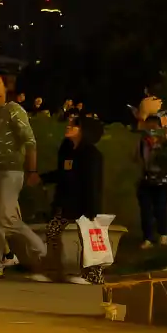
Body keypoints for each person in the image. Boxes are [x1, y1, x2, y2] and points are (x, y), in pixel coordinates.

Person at [0, 73, 47, 276]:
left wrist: (32, 170)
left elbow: (30, 141)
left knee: (7, 218)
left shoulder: (14, 110)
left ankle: (42, 250)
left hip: (10, 171)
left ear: (6, 87)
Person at [33, 117, 107, 284]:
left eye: (75, 125)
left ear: (84, 131)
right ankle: (53, 271)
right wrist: (43, 178)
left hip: (85, 204)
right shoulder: (66, 150)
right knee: (53, 231)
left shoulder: (92, 155)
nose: (69, 126)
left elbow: (93, 183)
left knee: (89, 237)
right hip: (66, 203)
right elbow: (63, 174)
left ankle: (92, 275)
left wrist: (92, 210)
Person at [134, 95, 167, 249]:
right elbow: (136, 158)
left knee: (160, 208)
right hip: (146, 178)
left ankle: (163, 233)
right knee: (145, 210)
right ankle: (148, 237)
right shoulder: (142, 142)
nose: (151, 128)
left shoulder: (165, 143)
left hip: (161, 180)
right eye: (149, 124)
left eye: (154, 124)